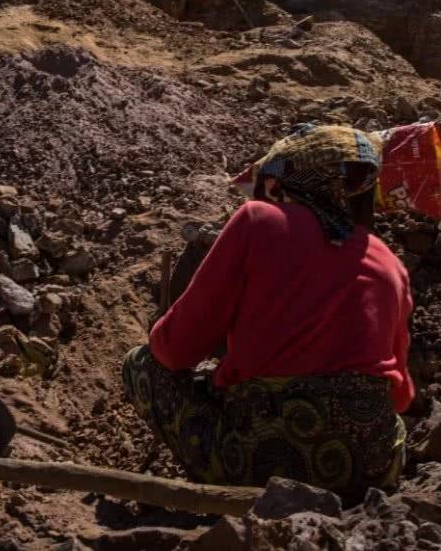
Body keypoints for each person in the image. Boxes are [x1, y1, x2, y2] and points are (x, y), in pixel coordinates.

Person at [122, 124, 413, 500]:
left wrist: (162, 334)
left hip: (262, 467)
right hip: (368, 470)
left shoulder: (258, 220)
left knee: (140, 365)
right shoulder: (390, 262)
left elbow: (176, 351)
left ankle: (231, 486)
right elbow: (400, 397)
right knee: (392, 424)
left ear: (290, 182)